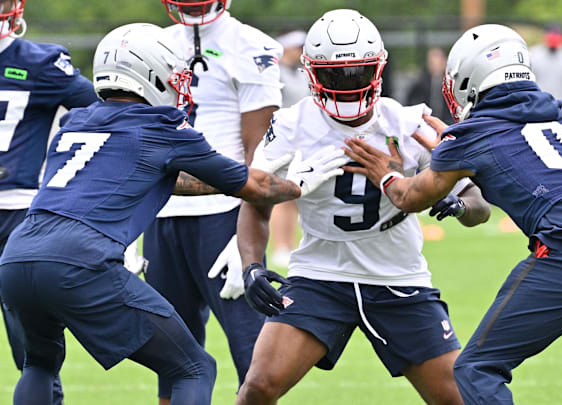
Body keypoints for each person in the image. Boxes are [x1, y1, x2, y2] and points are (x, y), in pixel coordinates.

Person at [344, 24, 562, 405]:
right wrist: (457, 158)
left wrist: (387, 173)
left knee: (475, 369)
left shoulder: (470, 136)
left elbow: (410, 197)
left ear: (468, 78)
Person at [0, 22, 343, 405]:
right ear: (150, 73)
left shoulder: (75, 123)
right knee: (194, 368)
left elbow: (153, 176)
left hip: (17, 254)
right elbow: (257, 186)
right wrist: (297, 183)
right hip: (80, 258)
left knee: (39, 365)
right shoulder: (162, 127)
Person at [234, 9, 491, 405]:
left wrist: (457, 202)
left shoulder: (408, 123)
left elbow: (480, 206)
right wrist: (251, 265)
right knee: (259, 387)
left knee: (459, 398)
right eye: (335, 75)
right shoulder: (290, 124)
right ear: (312, 74)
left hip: (398, 275)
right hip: (320, 274)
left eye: (357, 72)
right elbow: (255, 199)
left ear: (377, 70)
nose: (347, 83)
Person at [148, 1, 283, 402]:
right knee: (170, 358)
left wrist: (247, 228)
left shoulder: (251, 45)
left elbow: (262, 154)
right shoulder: (153, 43)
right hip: (162, 213)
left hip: (223, 216)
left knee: (254, 360)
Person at [0, 1, 99, 403]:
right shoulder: (39, 61)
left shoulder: (39, 63)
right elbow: (108, 109)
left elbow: (99, 108)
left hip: (20, 214)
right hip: (22, 217)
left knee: (32, 352)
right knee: (34, 354)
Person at [268, 29, 308, 267]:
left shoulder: (301, 74)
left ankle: (290, 244)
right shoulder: (275, 74)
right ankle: (280, 246)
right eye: (297, 48)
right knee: (281, 196)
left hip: (300, 143)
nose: (301, 52)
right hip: (281, 140)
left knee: (294, 196)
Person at [406, 47, 455, 124]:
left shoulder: (451, 85)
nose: (435, 64)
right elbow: (411, 104)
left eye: (438, 60)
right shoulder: (420, 84)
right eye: (432, 61)